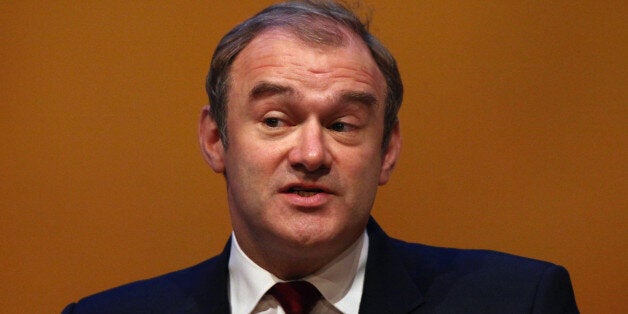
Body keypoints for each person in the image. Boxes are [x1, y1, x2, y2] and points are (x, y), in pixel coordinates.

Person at [62, 1, 579, 313]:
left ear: (388, 150)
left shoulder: (517, 304)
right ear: (216, 140)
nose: (311, 154)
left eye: (341, 125)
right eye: (274, 121)